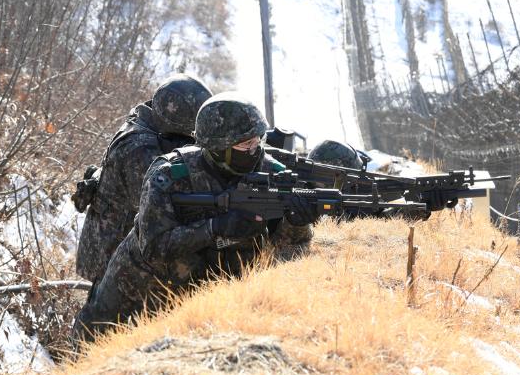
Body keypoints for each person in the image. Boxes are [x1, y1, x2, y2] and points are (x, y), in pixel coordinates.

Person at [72, 93, 316, 342]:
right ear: (218, 148)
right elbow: (154, 247)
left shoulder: (271, 173)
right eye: (244, 146)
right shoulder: (171, 176)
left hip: (206, 308)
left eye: (257, 142)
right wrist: (215, 228)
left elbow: (286, 258)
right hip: (136, 296)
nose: (254, 152)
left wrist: (296, 223)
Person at [72, 74, 212, 283]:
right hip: (110, 257)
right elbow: (157, 204)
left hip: (121, 247)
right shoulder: (139, 148)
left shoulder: (151, 121)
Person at [307, 139, 450, 219]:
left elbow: (383, 220)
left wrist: (422, 207)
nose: (355, 184)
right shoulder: (300, 202)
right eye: (351, 180)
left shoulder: (352, 200)